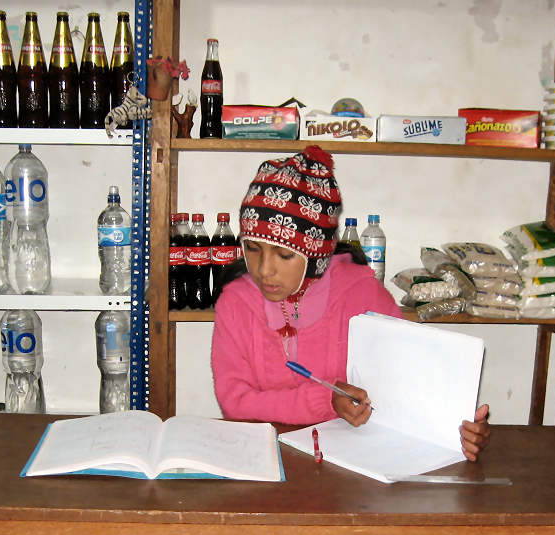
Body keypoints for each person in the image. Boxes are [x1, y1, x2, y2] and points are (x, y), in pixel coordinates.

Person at [210, 145, 490, 460]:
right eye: (253, 249)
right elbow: (234, 400)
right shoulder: (235, 302)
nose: (264, 270)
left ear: (316, 255)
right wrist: (325, 400)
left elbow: (411, 387)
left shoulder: (364, 296)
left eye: (285, 254)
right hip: (262, 461)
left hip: (355, 467)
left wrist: (458, 426)